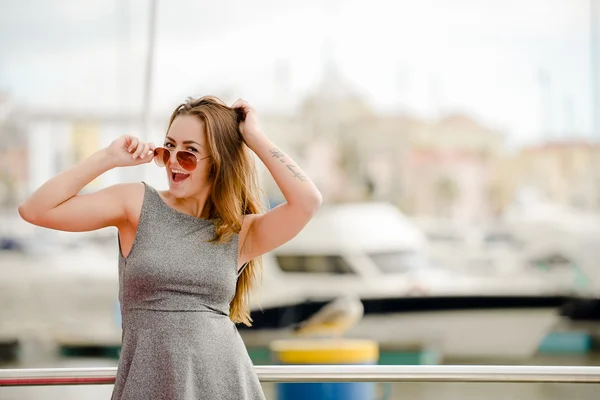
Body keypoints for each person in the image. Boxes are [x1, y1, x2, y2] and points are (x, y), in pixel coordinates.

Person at [18, 96, 323, 399]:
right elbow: (36, 210)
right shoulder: (136, 204)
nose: (174, 161)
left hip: (226, 383)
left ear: (218, 161)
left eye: (189, 153)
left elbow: (307, 201)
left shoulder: (239, 231)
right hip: (149, 387)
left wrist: (254, 136)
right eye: (169, 148)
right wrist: (107, 158)